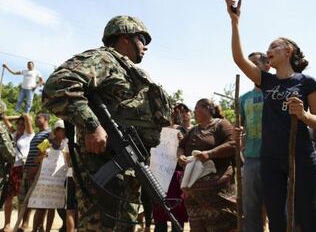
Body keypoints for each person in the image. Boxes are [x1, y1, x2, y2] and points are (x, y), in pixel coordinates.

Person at [42, 15, 171, 231]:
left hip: (131, 167)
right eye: (142, 39)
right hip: (104, 165)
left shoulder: (131, 72)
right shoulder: (104, 59)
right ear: (124, 38)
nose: (146, 47)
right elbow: (58, 85)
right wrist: (91, 125)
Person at [224, 0, 316, 232]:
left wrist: (303, 115)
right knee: (277, 220)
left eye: (273, 46)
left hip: (301, 157)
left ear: (288, 51)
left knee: (307, 217)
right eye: (267, 47)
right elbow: (239, 59)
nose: (268, 50)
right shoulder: (266, 81)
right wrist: (235, 22)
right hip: (270, 159)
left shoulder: (306, 82)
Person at [177, 99, 237, 231]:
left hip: (217, 192)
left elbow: (233, 144)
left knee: (223, 227)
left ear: (206, 109)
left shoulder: (222, 125)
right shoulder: (193, 130)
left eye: (196, 108)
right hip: (194, 194)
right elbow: (181, 146)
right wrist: (180, 156)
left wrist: (209, 154)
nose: (194, 111)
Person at [239, 52, 270, 232]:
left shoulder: (276, 92)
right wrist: (239, 135)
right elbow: (240, 127)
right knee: (251, 209)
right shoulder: (243, 99)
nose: (249, 68)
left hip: (274, 158)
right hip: (250, 158)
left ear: (267, 66)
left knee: (277, 207)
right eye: (247, 64)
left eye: (254, 64)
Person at [153, 103, 190, 232]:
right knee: (160, 212)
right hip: (161, 176)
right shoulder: (158, 130)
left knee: (177, 211)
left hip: (177, 176)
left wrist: (183, 140)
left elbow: (189, 150)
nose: (178, 114)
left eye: (183, 111)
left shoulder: (186, 131)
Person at [1, 113, 34, 232]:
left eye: (22, 124)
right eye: (18, 124)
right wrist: (17, 119)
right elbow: (4, 118)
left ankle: (20, 224)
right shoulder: (14, 134)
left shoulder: (29, 135)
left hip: (22, 168)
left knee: (22, 198)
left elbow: (27, 116)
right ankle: (7, 224)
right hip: (11, 168)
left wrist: (22, 117)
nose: (20, 125)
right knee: (8, 197)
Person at [18, 112, 50, 231]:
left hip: (37, 171)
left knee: (38, 201)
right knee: (25, 199)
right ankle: (24, 224)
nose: (36, 120)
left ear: (46, 119)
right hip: (28, 169)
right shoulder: (38, 134)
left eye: (38, 118)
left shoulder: (49, 134)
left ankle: (39, 226)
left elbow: (46, 154)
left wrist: (36, 168)